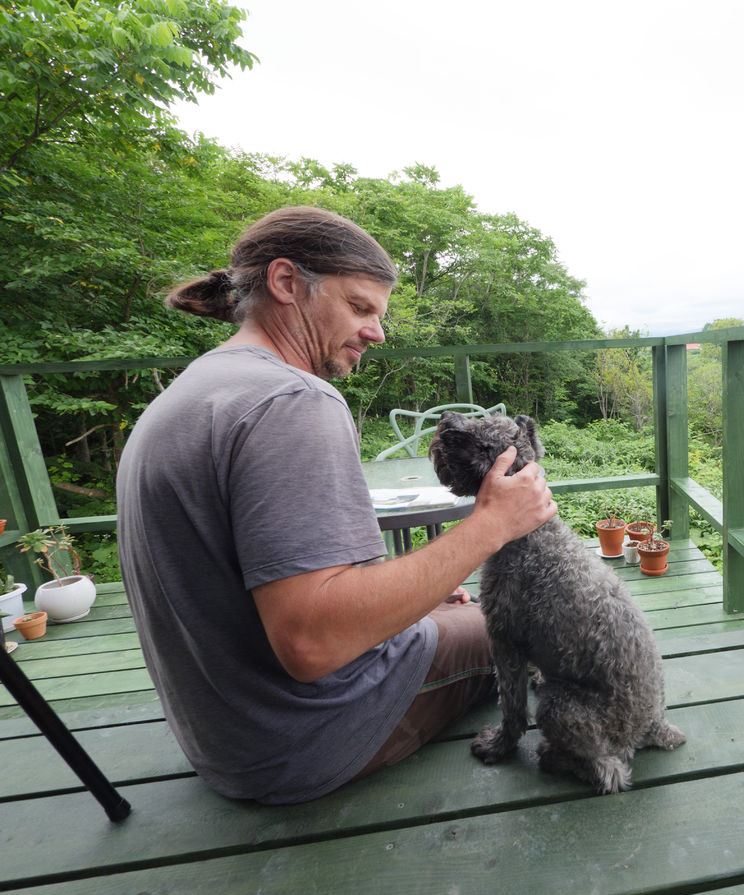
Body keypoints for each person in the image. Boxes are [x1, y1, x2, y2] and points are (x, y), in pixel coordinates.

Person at [116, 206, 556, 804]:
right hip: (307, 738)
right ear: (286, 283)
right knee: (519, 623)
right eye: (360, 307)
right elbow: (312, 643)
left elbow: (279, 587)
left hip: (227, 736)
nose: (377, 332)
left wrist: (406, 594)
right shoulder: (293, 400)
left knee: (449, 608)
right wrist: (490, 526)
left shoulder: (197, 387)